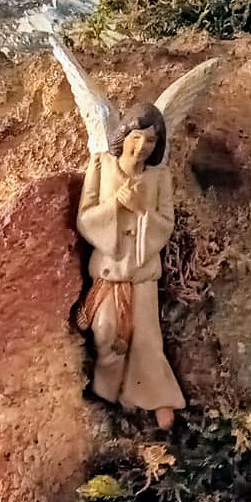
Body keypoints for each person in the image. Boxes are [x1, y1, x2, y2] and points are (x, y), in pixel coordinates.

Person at [76, 105, 183, 428]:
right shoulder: (101, 166)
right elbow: (85, 218)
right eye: (136, 137)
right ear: (123, 136)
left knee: (147, 339)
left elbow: (166, 223)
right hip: (109, 271)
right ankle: (107, 394)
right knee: (106, 335)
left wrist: (141, 211)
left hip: (142, 272)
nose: (142, 146)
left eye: (151, 140)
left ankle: (157, 397)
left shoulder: (159, 177)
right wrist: (116, 205)